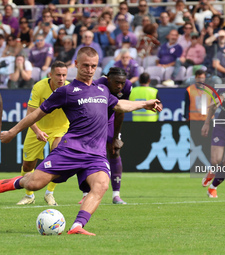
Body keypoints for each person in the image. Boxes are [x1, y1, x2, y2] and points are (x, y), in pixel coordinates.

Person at [0, 47, 162, 236]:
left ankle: (77, 225)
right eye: (85, 65)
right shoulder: (66, 91)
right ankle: (5, 184)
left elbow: (119, 105)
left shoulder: (102, 89)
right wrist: (12, 132)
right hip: (70, 150)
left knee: (101, 184)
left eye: (93, 66)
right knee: (33, 184)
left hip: (95, 154)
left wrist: (144, 104)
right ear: (76, 64)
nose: (90, 69)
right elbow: (36, 113)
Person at [15, 61, 69, 205]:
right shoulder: (39, 87)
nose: (61, 78)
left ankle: (49, 193)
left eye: (64, 75)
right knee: (27, 165)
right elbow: (30, 114)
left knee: (58, 154)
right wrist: (38, 131)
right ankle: (29, 196)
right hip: (37, 127)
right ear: (50, 74)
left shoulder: (70, 88)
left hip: (61, 128)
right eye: (58, 75)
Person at [79, 67, 134, 205]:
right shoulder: (98, 84)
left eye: (122, 82)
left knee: (114, 151)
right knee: (87, 152)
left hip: (111, 117)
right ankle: (86, 193)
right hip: (95, 117)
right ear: (108, 79)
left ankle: (116, 195)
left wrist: (115, 137)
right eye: (116, 82)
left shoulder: (127, 87)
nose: (120, 86)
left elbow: (121, 112)